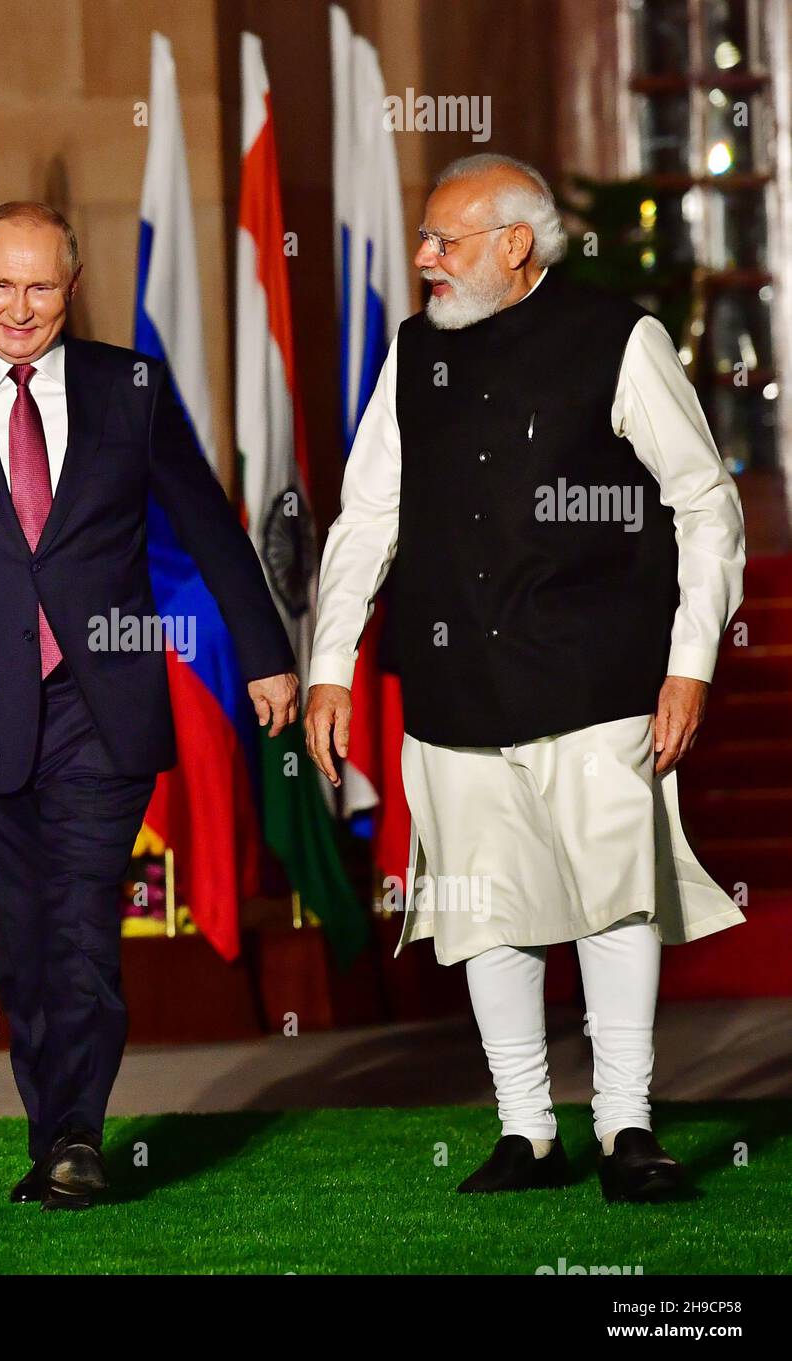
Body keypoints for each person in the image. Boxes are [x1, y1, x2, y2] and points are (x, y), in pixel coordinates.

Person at [305, 154, 746, 1202]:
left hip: (600, 681)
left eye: (441, 242)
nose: (422, 261)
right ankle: (526, 1132)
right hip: (454, 686)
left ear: (515, 245)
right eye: (422, 239)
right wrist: (329, 665)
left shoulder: (618, 338)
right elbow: (367, 513)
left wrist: (690, 664)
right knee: (485, 909)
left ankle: (629, 1126)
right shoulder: (413, 353)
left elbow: (703, 503)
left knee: (613, 904)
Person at [0, 201, 297, 1210]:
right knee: (28, 933)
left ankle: (78, 1137)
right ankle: (53, 1133)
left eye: (40, 286)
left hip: (104, 703)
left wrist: (264, 653)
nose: (19, 306)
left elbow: (209, 523)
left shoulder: (127, 387)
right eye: (2, 284)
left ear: (72, 285)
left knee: (84, 916)